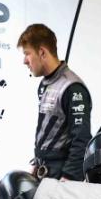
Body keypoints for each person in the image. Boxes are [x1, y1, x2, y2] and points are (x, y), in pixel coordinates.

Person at [18, 23, 91, 181]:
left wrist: (69, 177)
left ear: (42, 52)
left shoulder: (73, 88)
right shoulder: (45, 84)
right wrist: (37, 162)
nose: (24, 61)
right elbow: (47, 131)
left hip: (61, 175)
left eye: (27, 54)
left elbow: (81, 139)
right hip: (44, 170)